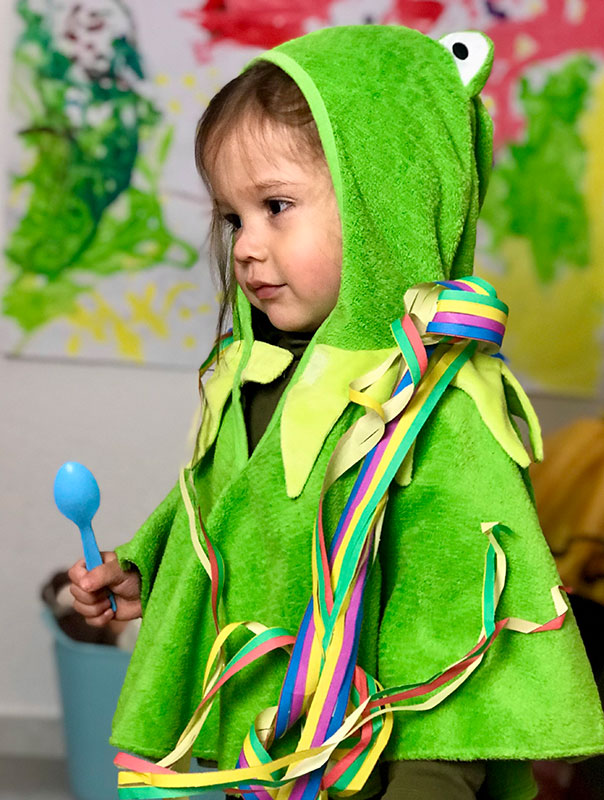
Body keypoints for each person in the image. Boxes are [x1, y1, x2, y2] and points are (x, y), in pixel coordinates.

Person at [67, 25, 604, 800]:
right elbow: (230, 514)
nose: (247, 247)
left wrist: (427, 776)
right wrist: (145, 568)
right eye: (233, 218)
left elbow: (456, 607)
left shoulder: (433, 406)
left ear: (381, 202)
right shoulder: (251, 377)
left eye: (276, 206)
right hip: (269, 743)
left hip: (387, 757)